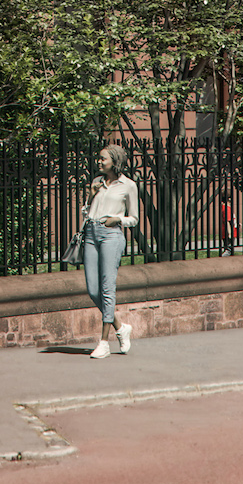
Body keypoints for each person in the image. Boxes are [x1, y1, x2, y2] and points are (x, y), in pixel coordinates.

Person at [80, 144, 140, 358]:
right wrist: (90, 195)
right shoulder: (97, 182)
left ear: (115, 161)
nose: (99, 162)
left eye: (103, 159)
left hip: (111, 235)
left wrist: (117, 219)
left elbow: (134, 218)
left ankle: (104, 342)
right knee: (93, 289)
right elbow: (85, 212)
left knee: (107, 288)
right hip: (91, 233)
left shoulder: (128, 185)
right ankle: (121, 327)